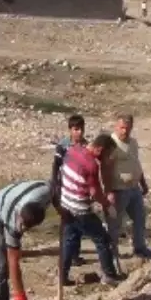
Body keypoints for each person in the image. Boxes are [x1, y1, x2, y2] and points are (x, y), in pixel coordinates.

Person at [60, 133, 123, 286]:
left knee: (69, 240)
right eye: (107, 154)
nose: (107, 158)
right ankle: (109, 275)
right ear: (100, 149)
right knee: (102, 239)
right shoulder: (91, 164)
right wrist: (107, 205)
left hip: (66, 205)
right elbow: (95, 193)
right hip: (80, 209)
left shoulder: (73, 150)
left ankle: (62, 276)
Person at [105, 114, 151, 259]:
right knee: (115, 223)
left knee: (139, 218)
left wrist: (143, 183)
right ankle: (111, 251)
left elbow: (136, 163)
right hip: (118, 189)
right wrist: (109, 191)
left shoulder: (133, 142)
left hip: (134, 188)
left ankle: (140, 247)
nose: (125, 131)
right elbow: (106, 169)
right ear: (116, 127)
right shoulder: (111, 144)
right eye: (122, 128)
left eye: (128, 128)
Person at [51, 114, 87, 266]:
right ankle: (67, 256)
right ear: (70, 130)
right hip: (65, 189)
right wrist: (55, 184)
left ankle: (75, 255)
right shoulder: (63, 146)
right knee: (68, 224)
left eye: (81, 129)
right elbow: (56, 165)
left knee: (78, 223)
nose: (78, 132)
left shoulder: (86, 145)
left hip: (79, 190)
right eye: (76, 129)